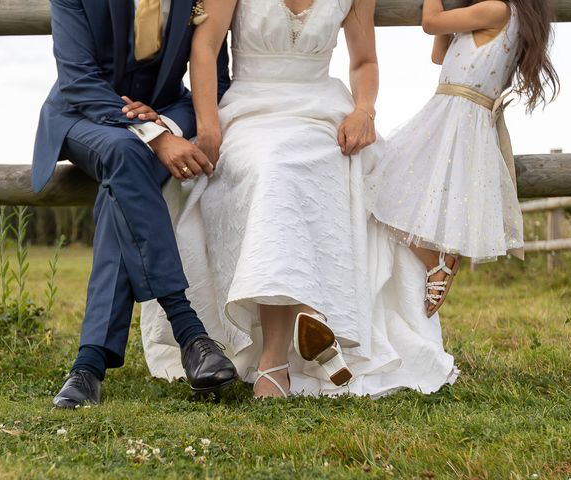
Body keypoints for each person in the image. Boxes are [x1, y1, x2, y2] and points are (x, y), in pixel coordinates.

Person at [141, 0, 458, 399]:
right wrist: (208, 130)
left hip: (322, 110)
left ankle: (278, 354)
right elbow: (204, 49)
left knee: (326, 169)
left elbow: (363, 63)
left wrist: (364, 110)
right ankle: (306, 317)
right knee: (275, 169)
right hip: (250, 112)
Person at [32, 0, 238, 409]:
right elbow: (78, 80)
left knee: (121, 181)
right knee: (127, 152)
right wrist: (150, 134)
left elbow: (214, 80)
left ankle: (88, 368)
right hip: (82, 117)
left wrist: (169, 127)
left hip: (160, 121)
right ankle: (190, 332)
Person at [366, 0, 559, 317]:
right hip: (454, 114)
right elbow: (438, 55)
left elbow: (430, 22)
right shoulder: (497, 14)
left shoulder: (497, 10)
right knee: (387, 188)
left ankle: (437, 263)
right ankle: (437, 263)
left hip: (455, 115)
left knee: (376, 186)